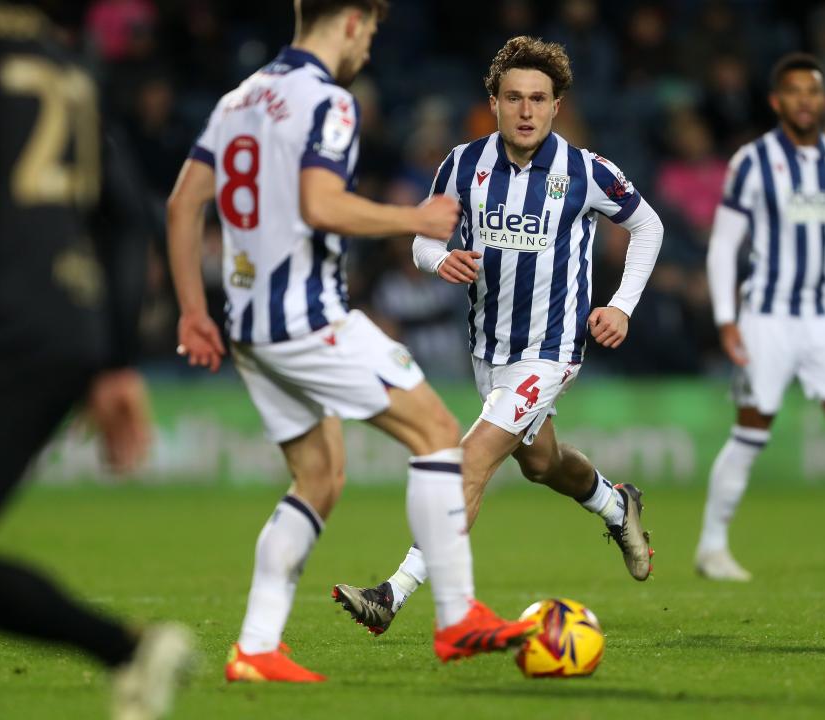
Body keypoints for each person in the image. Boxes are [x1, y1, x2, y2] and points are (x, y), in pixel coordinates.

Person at [167, 0, 538, 683]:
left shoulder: (240, 98)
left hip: (248, 325)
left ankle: (255, 648)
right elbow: (321, 204)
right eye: (369, 29)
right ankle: (457, 618)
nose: (369, 44)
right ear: (348, 23)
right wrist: (415, 218)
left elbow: (183, 202)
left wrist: (194, 309)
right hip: (308, 318)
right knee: (436, 430)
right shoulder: (329, 103)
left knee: (319, 477)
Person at [0, 2, 194, 718]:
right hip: (68, 327)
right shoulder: (61, 56)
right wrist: (115, 358)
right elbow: (126, 218)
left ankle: (125, 647)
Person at [333, 36, 663, 636]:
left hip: (552, 348)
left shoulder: (585, 171)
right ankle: (617, 505)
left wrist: (621, 305)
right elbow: (423, 237)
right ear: (494, 101)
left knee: (472, 458)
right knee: (541, 464)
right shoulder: (463, 164)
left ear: (556, 105)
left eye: (539, 98)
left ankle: (394, 592)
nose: (527, 110)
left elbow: (648, 226)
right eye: (514, 97)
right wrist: (440, 261)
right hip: (489, 347)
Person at [696, 52, 825, 581]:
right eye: (794, 91)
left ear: (823, 99)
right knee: (750, 433)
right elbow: (723, 246)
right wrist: (727, 317)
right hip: (765, 318)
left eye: (813, 91)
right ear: (777, 101)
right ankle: (711, 546)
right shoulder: (752, 160)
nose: (805, 101)